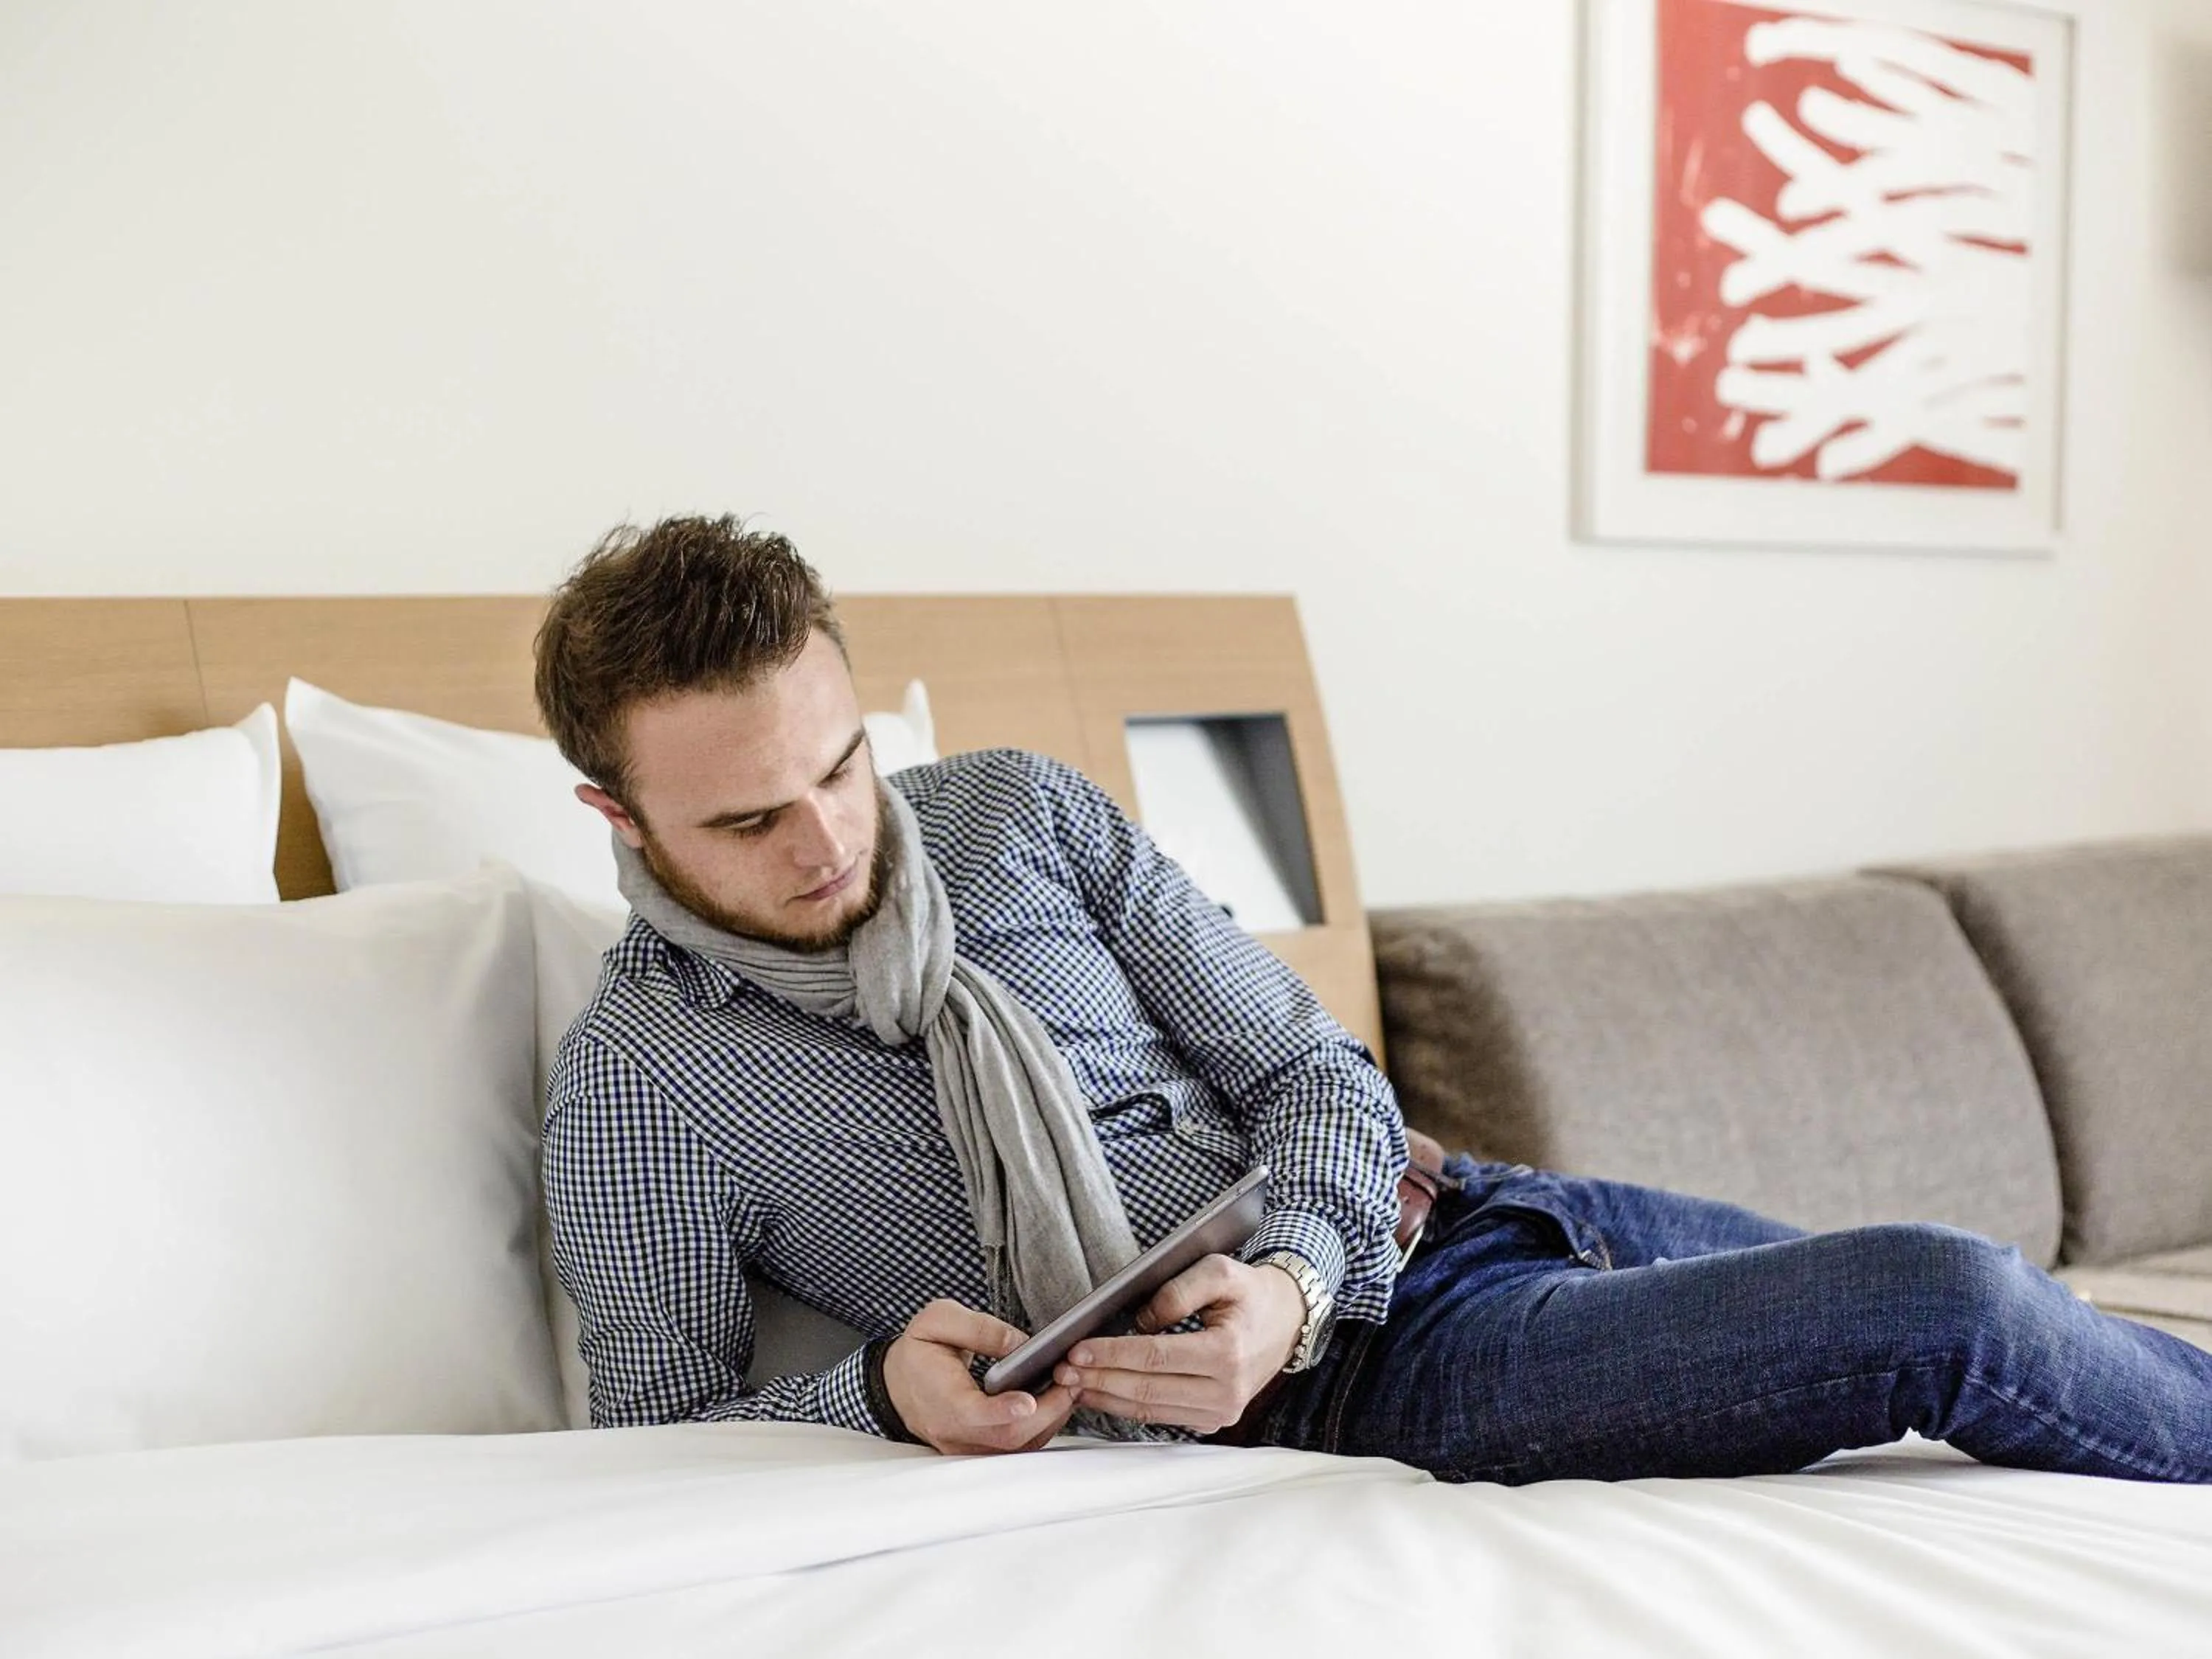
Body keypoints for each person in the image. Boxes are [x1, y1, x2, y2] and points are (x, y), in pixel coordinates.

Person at [535, 515, 2212, 1482]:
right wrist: (875, 1393)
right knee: (1944, 1305)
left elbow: (1313, 1068)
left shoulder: (1012, 812)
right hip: (1377, 1374)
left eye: (842, 765)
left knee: (2035, 1319)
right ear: (618, 815)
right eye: (747, 821)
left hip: (1459, 1209)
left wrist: (1291, 1275)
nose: (832, 840)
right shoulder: (637, 1085)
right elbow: (661, 1435)